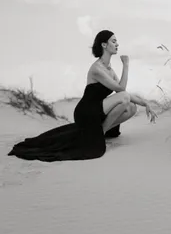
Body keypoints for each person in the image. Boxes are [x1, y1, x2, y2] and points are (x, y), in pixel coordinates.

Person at [8, 30, 157, 162]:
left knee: (131, 107)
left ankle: (101, 133)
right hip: (87, 111)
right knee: (124, 98)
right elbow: (122, 90)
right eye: (114, 41)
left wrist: (145, 103)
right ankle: (100, 135)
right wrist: (126, 65)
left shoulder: (110, 70)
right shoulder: (97, 68)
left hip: (99, 110)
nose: (117, 44)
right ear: (104, 45)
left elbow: (123, 93)